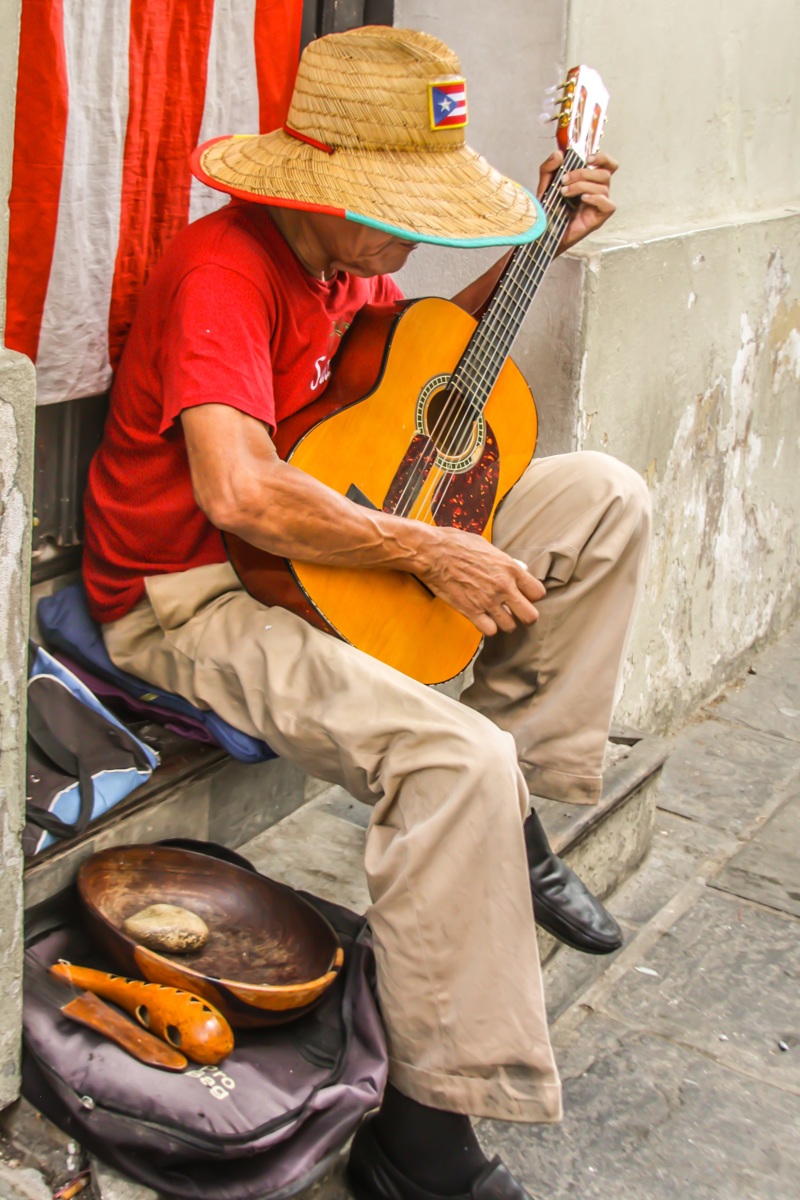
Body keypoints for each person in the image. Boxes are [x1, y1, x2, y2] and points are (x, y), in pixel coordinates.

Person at [82, 26, 650, 1200]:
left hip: (323, 548)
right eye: (397, 203)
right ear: (324, 182)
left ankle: (517, 818)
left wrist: (536, 247)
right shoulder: (224, 272)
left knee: (603, 499)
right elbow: (236, 491)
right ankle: (424, 1134)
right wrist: (427, 549)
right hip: (195, 595)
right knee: (448, 760)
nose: (415, 229)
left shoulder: (344, 264)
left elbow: (403, 370)